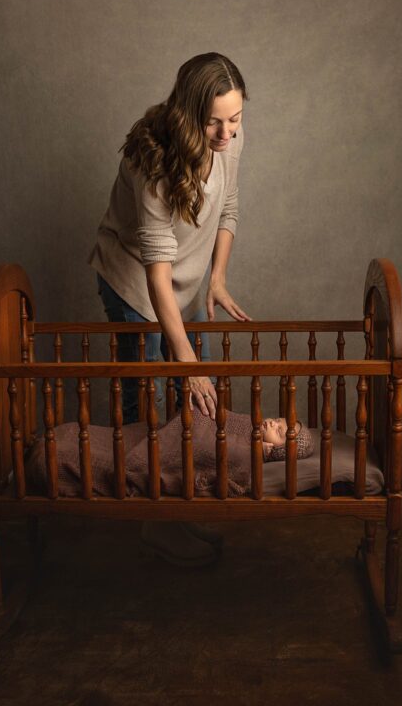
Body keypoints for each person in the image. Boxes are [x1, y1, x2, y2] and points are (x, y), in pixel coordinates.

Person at [88, 52, 250, 565]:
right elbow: (156, 271)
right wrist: (183, 357)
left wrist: (217, 279)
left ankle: (176, 506)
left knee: (192, 399)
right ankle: (154, 522)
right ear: (187, 114)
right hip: (136, 281)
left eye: (236, 120)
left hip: (180, 283)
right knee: (149, 394)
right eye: (213, 123)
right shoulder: (150, 163)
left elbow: (227, 206)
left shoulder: (228, 136)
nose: (226, 135)